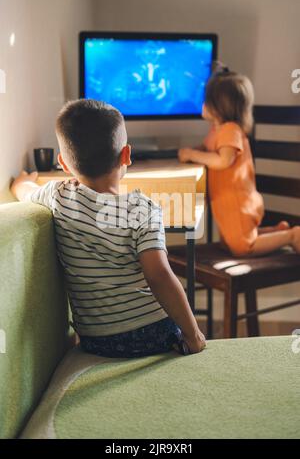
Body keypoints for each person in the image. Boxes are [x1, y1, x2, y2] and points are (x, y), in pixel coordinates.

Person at [11, 99, 206, 358]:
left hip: (95, 340)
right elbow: (159, 276)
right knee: (185, 334)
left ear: (64, 164)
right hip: (152, 333)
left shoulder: (57, 196)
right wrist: (193, 335)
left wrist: (22, 181)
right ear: (126, 155)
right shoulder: (142, 209)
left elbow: (23, 191)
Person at [178, 65, 300, 256]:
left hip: (238, 204)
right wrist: (194, 150)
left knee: (244, 247)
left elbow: (223, 160)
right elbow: (208, 149)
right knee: (236, 242)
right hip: (228, 204)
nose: (202, 105)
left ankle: (292, 236)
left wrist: (192, 155)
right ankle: (279, 231)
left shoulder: (230, 130)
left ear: (220, 108)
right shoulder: (216, 130)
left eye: (206, 102)